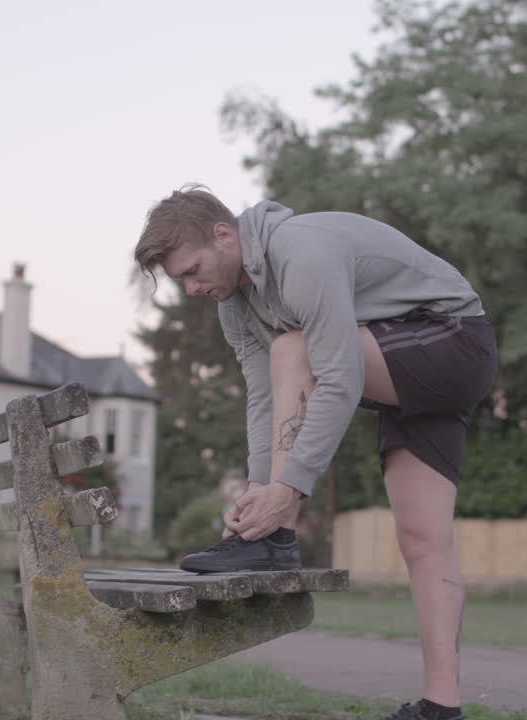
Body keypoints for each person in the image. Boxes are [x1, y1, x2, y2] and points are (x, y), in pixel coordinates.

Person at [134, 186, 496, 720]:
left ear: (223, 234)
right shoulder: (235, 303)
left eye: (192, 270)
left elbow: (339, 379)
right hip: (400, 364)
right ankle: (442, 708)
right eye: (181, 279)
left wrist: (288, 492)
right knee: (423, 540)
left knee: (293, 347)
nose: (190, 288)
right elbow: (267, 398)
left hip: (453, 342)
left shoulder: (299, 251)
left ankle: (280, 536)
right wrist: (260, 494)